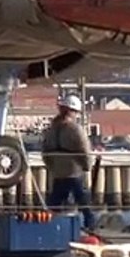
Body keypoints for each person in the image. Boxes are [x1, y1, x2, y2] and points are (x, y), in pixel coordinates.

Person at [41, 94, 96, 230]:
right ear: (73, 111)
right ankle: (91, 227)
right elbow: (84, 149)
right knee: (84, 202)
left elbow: (45, 151)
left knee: (55, 202)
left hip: (58, 172)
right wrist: (87, 165)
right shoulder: (75, 129)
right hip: (74, 171)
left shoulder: (51, 130)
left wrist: (51, 166)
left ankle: (50, 227)